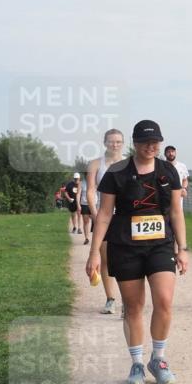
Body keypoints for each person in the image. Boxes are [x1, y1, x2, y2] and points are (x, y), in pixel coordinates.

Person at [86, 120, 188, 384]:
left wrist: (183, 249)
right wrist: (95, 252)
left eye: (155, 142)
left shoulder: (169, 171)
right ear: (135, 143)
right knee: (133, 307)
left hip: (160, 245)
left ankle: (159, 359)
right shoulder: (117, 172)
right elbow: (106, 214)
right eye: (145, 142)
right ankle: (137, 363)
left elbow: (176, 212)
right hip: (125, 245)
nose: (151, 146)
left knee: (164, 301)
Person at [87, 129, 125, 315]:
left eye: (118, 142)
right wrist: (95, 215)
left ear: (123, 143)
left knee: (126, 260)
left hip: (125, 217)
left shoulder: (129, 163)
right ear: (105, 143)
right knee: (106, 259)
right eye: (111, 141)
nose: (114, 145)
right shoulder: (95, 164)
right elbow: (91, 191)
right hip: (103, 216)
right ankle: (111, 299)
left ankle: (128, 300)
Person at [164, 145, 190, 214]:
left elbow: (185, 179)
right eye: (168, 152)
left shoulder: (182, 166)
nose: (171, 154)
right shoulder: (162, 166)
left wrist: (184, 188)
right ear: (165, 154)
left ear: (175, 153)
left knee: (177, 216)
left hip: (178, 197)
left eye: (172, 151)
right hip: (165, 197)